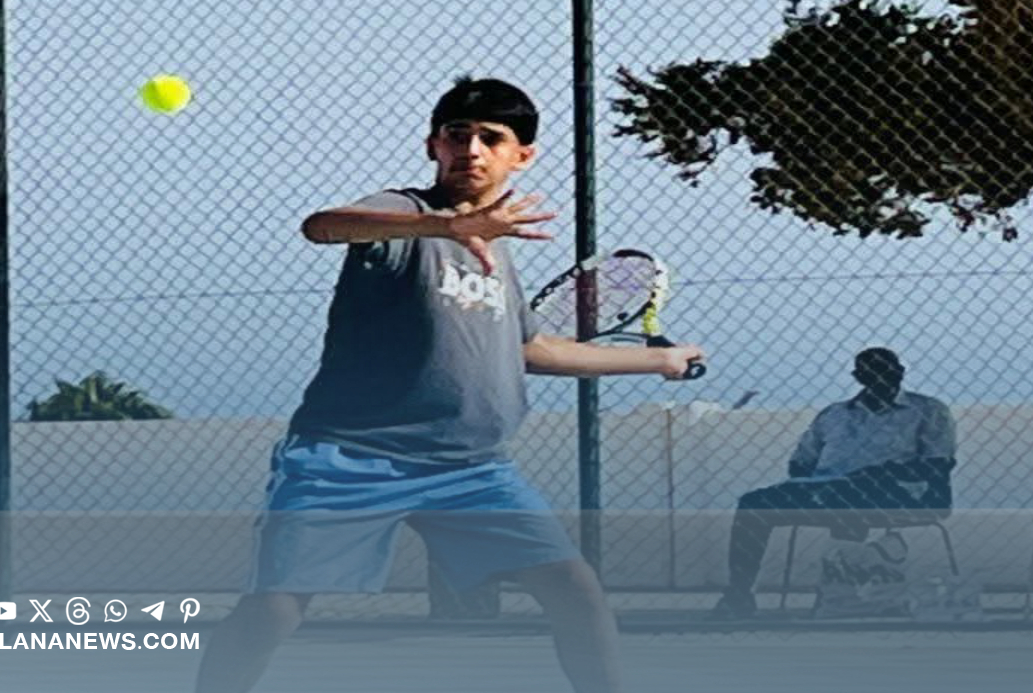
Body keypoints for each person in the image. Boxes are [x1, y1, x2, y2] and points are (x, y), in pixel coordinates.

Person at [193, 77, 705, 693]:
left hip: (472, 468)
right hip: (348, 457)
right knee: (276, 607)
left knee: (574, 590)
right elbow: (322, 225)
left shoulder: (499, 254)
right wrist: (446, 227)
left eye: (492, 138)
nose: (472, 150)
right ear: (433, 146)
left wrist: (657, 361)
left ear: (522, 155)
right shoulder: (404, 212)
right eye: (457, 136)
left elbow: (531, 349)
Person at [708, 347, 955, 620]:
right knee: (753, 503)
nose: (882, 378)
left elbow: (938, 465)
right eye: (872, 372)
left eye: (888, 371)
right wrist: (813, 485)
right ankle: (739, 593)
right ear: (858, 377)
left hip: (897, 492)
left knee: (852, 496)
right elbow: (801, 462)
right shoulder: (834, 414)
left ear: (900, 372)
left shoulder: (927, 410)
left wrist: (881, 473)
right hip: (827, 489)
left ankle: (837, 593)